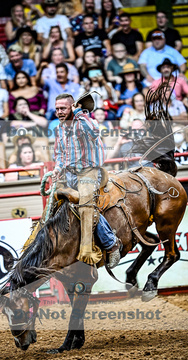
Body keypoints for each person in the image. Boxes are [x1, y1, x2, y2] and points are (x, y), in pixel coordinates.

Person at [52, 92, 121, 268]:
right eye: (57, 108)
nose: (59, 112)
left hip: (89, 171)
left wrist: (78, 113)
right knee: (55, 202)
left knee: (86, 204)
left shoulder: (85, 121)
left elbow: (94, 132)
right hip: (69, 173)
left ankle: (111, 244)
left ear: (72, 107)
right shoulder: (59, 128)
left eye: (63, 108)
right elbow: (60, 154)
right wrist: (57, 169)